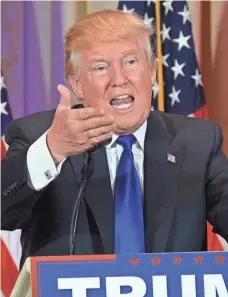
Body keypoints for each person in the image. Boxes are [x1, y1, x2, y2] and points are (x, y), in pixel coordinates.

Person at [2, 10, 228, 269]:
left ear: (151, 71)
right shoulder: (40, 135)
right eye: (100, 68)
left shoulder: (197, 141)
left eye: (130, 62)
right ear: (77, 85)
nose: (119, 80)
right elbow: (3, 212)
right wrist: (53, 150)